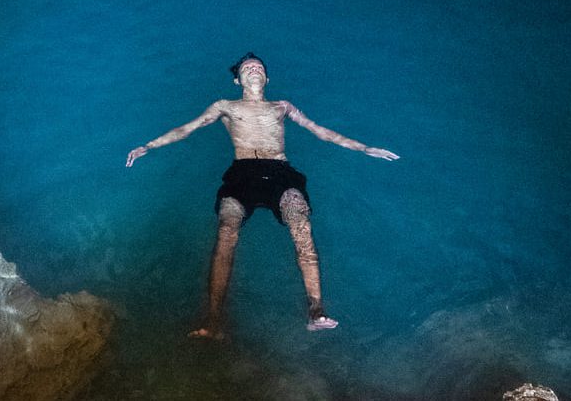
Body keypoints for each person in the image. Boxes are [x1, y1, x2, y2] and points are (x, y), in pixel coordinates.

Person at [125, 52, 399, 338]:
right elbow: (188, 127)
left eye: (259, 67)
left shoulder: (282, 106)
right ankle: (214, 321)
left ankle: (315, 310)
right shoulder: (225, 106)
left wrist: (364, 148)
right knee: (226, 230)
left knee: (301, 223)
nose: (254, 68)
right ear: (237, 79)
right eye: (247, 67)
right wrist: (149, 146)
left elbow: (322, 131)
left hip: (280, 172)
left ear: (267, 78)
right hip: (242, 173)